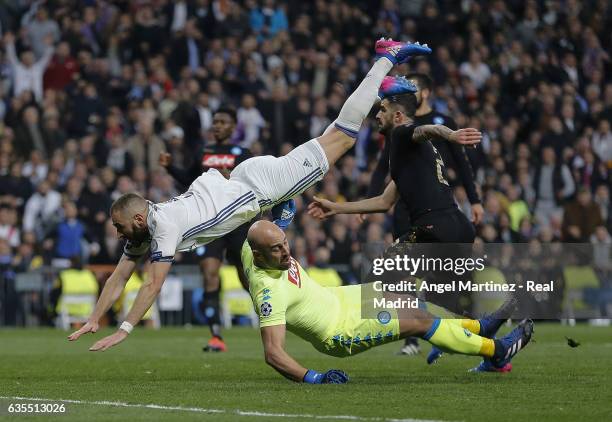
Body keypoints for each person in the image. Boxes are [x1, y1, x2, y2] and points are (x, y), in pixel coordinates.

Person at [67, 38, 433, 351]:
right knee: (332, 138)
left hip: (258, 187)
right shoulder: (148, 224)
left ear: (137, 218)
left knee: (342, 135)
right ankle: (379, 89)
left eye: (119, 227)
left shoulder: (163, 228)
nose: (117, 235)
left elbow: (152, 282)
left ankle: (385, 58)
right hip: (246, 181)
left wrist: (124, 329)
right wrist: (94, 318)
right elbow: (120, 275)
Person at [242, 220, 532, 383]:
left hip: (342, 298)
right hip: (340, 329)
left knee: (409, 301)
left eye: (285, 243)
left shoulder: (254, 245)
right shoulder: (269, 293)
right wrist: (314, 377)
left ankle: (476, 327)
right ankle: (496, 352)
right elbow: (273, 353)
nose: (285, 251)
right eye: (276, 249)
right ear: (258, 256)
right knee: (418, 321)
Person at [365, 73, 483, 356]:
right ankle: (425, 336)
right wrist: (358, 203)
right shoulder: (396, 136)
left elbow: (454, 155)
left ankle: (441, 332)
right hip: (415, 210)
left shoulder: (417, 127)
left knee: (404, 278)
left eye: (412, 87)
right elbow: (384, 175)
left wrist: (475, 199)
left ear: (425, 93)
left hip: (436, 212)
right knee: (410, 278)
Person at [159, 107, 254, 352]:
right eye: (215, 122)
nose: (217, 126)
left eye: (222, 122)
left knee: (247, 278)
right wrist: (170, 168)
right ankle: (216, 335)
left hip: (236, 222)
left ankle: (269, 316)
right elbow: (188, 180)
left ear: (233, 127)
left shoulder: (243, 154)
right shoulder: (204, 152)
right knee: (209, 273)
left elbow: (253, 184)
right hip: (210, 223)